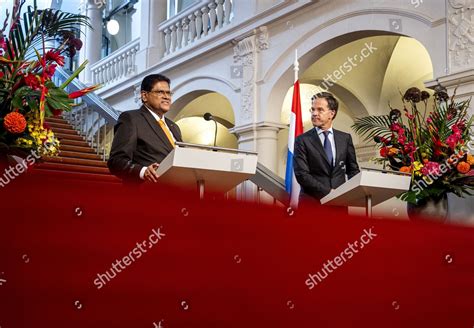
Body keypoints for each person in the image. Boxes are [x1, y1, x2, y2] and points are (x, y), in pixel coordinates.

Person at [108, 74, 182, 183]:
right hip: (146, 192)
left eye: (168, 93)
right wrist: (143, 171)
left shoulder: (174, 127)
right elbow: (116, 161)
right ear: (144, 96)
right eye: (160, 92)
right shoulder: (131, 119)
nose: (167, 97)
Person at [293, 92, 360, 202]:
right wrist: (329, 193)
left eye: (320, 110)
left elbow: (353, 170)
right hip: (312, 204)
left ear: (331, 113)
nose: (314, 113)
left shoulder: (345, 138)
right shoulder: (302, 140)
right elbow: (302, 174)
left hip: (340, 203)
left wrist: (356, 192)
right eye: (312, 109)